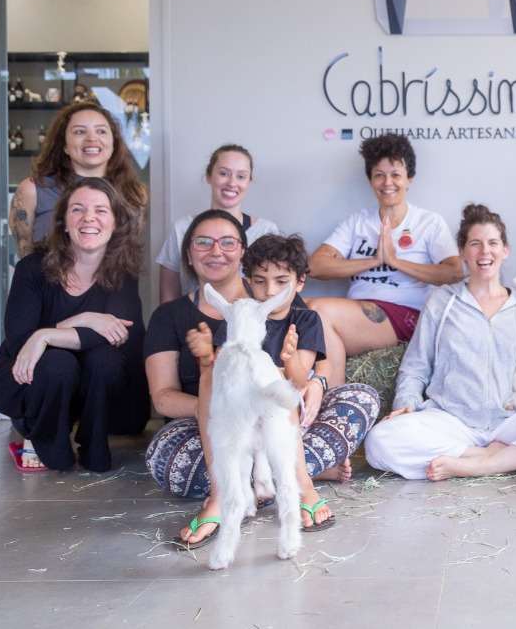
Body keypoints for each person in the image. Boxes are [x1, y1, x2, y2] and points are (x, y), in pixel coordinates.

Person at [143, 219, 380, 546]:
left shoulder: (306, 318)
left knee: (360, 398)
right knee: (169, 449)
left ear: (299, 282)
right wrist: (208, 363)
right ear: (248, 282)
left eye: (281, 281)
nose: (270, 291)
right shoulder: (238, 317)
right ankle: (230, 492)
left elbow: (297, 382)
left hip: (286, 424)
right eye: (260, 281)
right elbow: (219, 381)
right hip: (238, 424)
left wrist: (290, 361)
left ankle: (301, 486)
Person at [364, 204, 516, 481]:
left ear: (505, 250)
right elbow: (416, 364)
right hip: (451, 419)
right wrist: (406, 403)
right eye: (475, 243)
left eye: (493, 243)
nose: (485, 252)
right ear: (462, 252)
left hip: (512, 421)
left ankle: (481, 463)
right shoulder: (441, 302)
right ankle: (501, 457)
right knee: (379, 441)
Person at [0, 177, 148, 473]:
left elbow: (121, 334)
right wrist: (85, 320)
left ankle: (93, 441)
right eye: (78, 210)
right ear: (63, 221)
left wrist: (46, 333)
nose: (89, 218)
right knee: (57, 362)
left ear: (115, 222)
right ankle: (44, 437)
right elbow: (21, 338)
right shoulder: (32, 268)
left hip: (93, 386)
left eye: (100, 210)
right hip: (33, 379)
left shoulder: (123, 273)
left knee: (105, 359)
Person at [308, 134, 461, 386]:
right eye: (379, 175)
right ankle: (335, 397)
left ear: (409, 179)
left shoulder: (428, 222)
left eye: (395, 175)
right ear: (370, 180)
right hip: (356, 314)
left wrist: (396, 261)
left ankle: (333, 397)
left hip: (405, 316)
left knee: (319, 310)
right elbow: (315, 265)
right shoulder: (357, 222)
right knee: (303, 307)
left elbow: (454, 272)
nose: (387, 182)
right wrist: (374, 260)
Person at [9, 101, 148, 258]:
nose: (92, 139)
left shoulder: (135, 193)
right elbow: (25, 253)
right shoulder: (31, 190)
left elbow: (131, 256)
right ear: (65, 145)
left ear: (113, 143)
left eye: (101, 131)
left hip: (114, 282)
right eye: (80, 132)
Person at [156, 144, 279, 303]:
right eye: (223, 173)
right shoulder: (182, 228)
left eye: (241, 176)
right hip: (192, 324)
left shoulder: (266, 231)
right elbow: (168, 297)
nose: (232, 183)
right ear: (209, 176)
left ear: (249, 181)